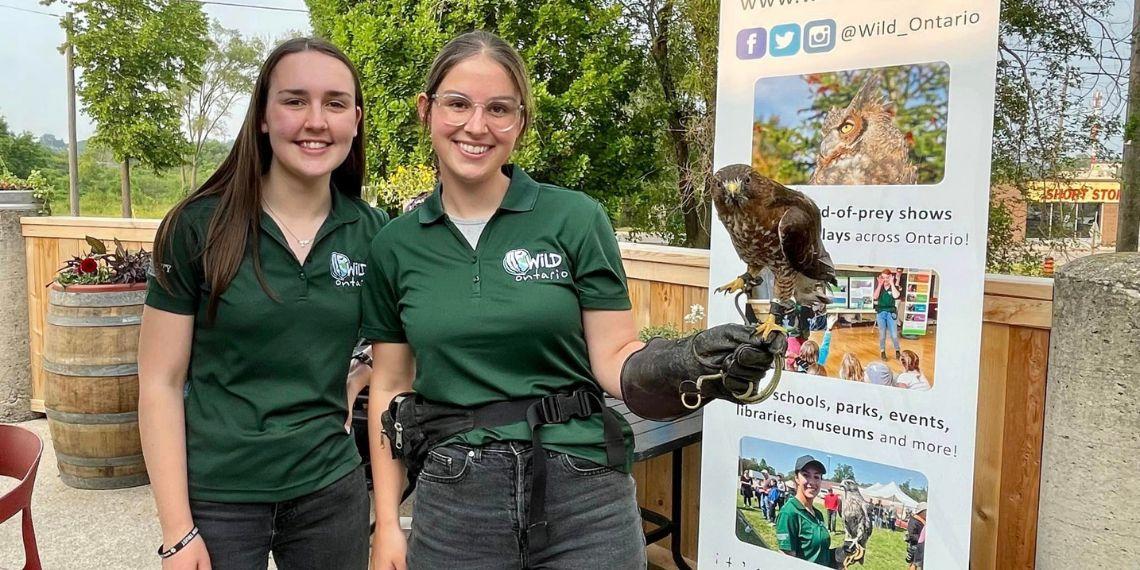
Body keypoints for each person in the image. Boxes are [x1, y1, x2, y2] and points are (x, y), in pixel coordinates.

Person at [360, 31, 782, 570]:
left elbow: (613, 355)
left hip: (581, 487)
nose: (476, 125)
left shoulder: (575, 218)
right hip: (455, 493)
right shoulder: (395, 246)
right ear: (427, 110)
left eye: (499, 109)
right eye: (458, 104)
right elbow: (391, 388)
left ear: (521, 122)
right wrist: (387, 525)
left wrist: (682, 365)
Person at [138, 38, 386, 569]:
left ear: (356, 121)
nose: (316, 120)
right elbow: (158, 381)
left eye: (335, 103)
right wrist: (176, 532)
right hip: (218, 498)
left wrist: (360, 370)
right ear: (264, 118)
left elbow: (398, 347)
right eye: (295, 101)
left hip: (331, 490)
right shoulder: (197, 226)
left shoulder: (372, 232)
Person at [776, 455, 833, 566]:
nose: (811, 482)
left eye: (816, 477)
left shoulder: (818, 514)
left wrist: (842, 553)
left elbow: (821, 555)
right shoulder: (789, 513)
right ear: (796, 478)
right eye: (806, 475)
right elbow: (787, 563)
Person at [873, 268, 902, 360]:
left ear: (890, 277)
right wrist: (879, 284)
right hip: (881, 313)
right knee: (882, 335)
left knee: (894, 335)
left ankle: (897, 350)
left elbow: (896, 296)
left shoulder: (894, 286)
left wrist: (892, 283)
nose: (885, 279)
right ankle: (882, 352)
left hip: (891, 313)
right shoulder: (879, 286)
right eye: (883, 277)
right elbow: (875, 297)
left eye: (887, 277)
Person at [906, 503, 927, 570]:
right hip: (915, 545)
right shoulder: (914, 520)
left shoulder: (923, 521)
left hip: (921, 545)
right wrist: (921, 540)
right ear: (921, 512)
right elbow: (911, 534)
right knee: (914, 563)